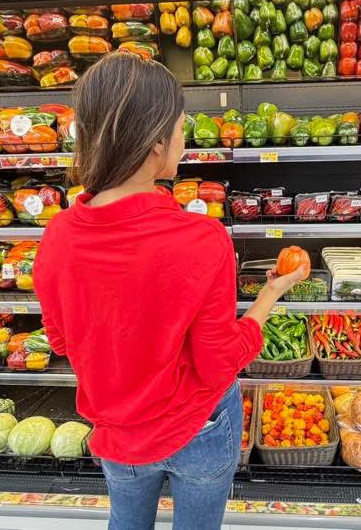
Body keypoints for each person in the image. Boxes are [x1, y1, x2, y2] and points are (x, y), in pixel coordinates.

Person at [33, 52, 306, 530]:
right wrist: (268, 299)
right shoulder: (202, 240)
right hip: (198, 429)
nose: (185, 140)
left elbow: (62, 343)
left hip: (117, 432)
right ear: (156, 144)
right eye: (182, 128)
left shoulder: (58, 236)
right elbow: (217, 361)